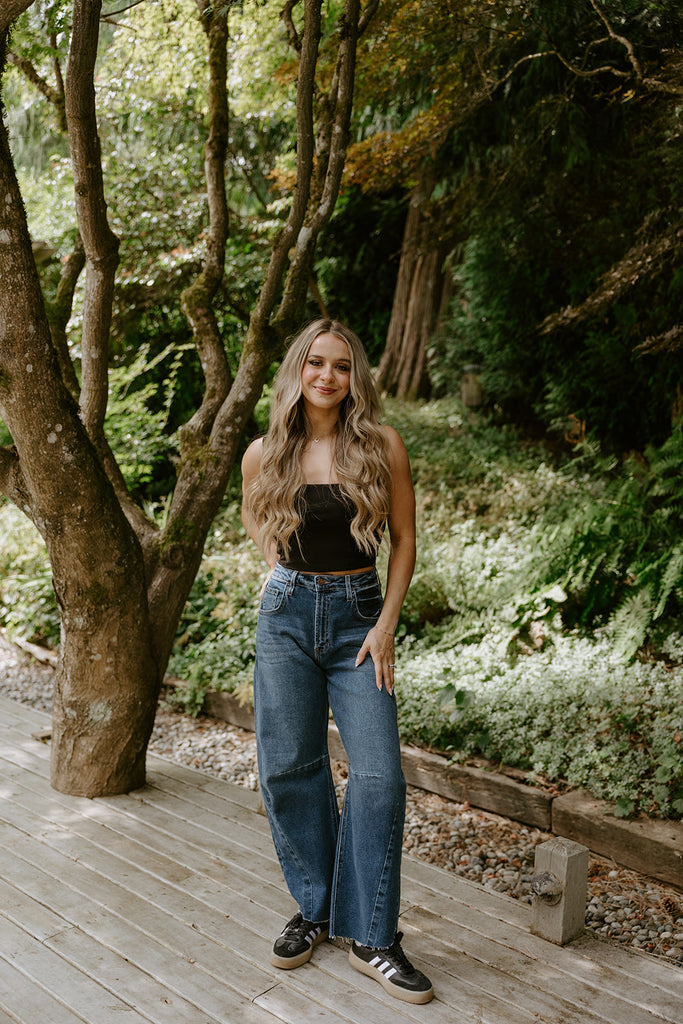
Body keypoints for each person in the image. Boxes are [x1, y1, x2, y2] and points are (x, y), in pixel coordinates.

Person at [241, 319, 434, 1004]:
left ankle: (372, 935)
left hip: (359, 619)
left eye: (342, 366)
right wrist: (275, 568)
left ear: (356, 377)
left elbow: (404, 539)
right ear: (297, 369)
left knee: (379, 776)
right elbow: (254, 516)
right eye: (316, 363)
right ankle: (316, 908)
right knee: (288, 768)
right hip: (286, 620)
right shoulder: (265, 452)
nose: (328, 376)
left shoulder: (381, 445)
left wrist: (385, 626)